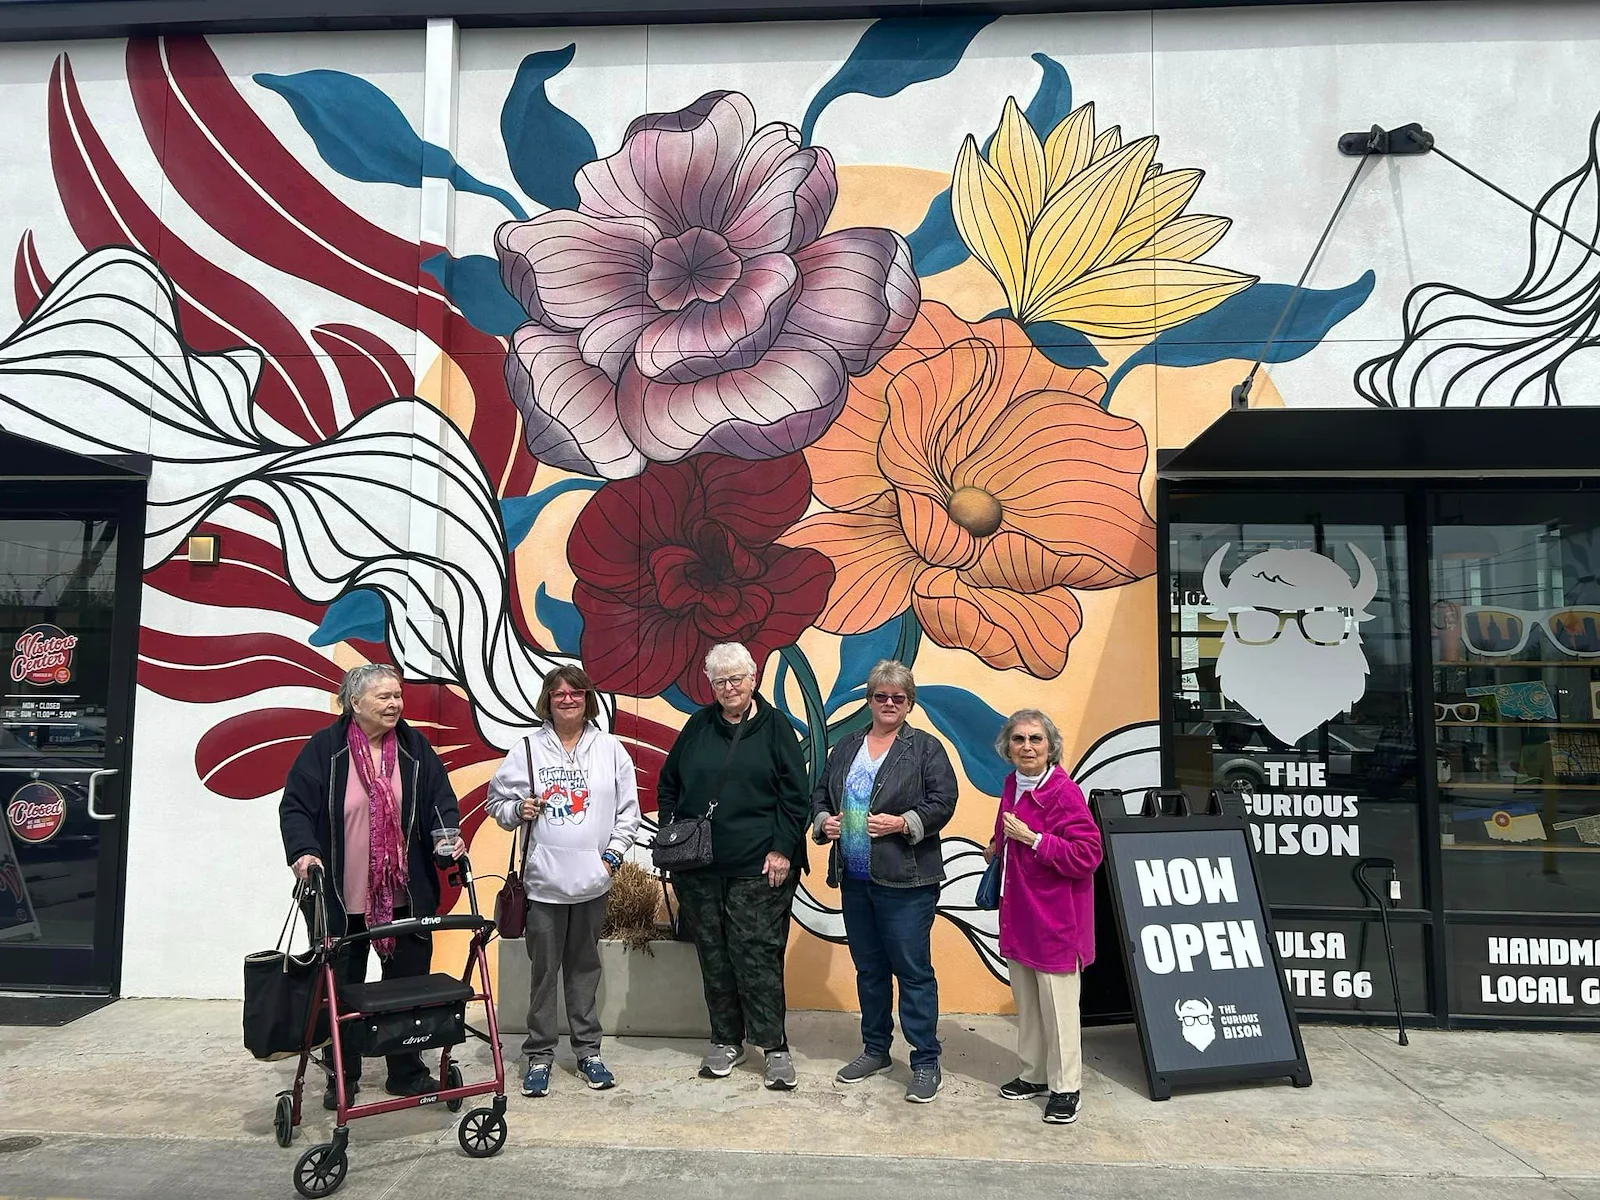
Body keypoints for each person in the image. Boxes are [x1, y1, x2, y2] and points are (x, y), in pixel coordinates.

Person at [279, 662, 465, 1111]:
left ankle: (406, 1069)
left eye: (398, 696)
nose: (395, 704)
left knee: (407, 983)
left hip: (405, 893)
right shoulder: (326, 749)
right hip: (339, 895)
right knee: (340, 986)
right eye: (384, 696)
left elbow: (440, 801)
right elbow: (296, 808)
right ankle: (343, 1072)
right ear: (355, 702)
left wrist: (446, 840)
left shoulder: (414, 747)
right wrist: (304, 852)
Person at [655, 642, 808, 1090]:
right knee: (715, 957)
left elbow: (794, 796)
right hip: (699, 868)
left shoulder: (775, 726)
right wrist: (671, 829)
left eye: (736, 678)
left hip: (759, 867)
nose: (729, 688)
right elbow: (669, 783)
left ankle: (774, 1046)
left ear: (753, 678)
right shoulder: (699, 725)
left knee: (756, 955)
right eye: (720, 680)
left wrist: (782, 849)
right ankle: (726, 1040)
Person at [485, 665, 641, 1099]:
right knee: (543, 975)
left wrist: (611, 858)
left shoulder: (611, 749)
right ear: (548, 701)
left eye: (575, 692)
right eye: (558, 694)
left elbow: (629, 811)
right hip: (543, 884)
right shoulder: (529, 750)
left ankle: (588, 1052)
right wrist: (519, 811)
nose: (567, 699)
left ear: (588, 698)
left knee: (584, 971)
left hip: (593, 883)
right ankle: (539, 1055)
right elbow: (495, 803)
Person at [810, 659, 958, 1103]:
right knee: (870, 970)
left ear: (909, 704)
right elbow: (819, 792)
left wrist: (903, 822)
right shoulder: (847, 745)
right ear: (870, 700)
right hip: (855, 876)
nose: (889, 703)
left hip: (907, 880)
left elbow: (944, 800)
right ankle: (875, 1050)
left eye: (898, 697)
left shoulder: (925, 748)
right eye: (881, 696)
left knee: (912, 972)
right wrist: (823, 822)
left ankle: (926, 1060)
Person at [987, 709, 1102, 1125]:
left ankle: (1066, 1087)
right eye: (1019, 740)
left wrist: (1035, 840)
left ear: (1051, 746)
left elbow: (1089, 854)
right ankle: (1033, 1074)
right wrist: (997, 842)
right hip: (1019, 916)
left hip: (1056, 921)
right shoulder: (1011, 784)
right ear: (1008, 747)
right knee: (1030, 1005)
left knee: (1059, 1010)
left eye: (1036, 739)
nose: (1027, 747)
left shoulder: (1063, 792)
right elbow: (1009, 828)